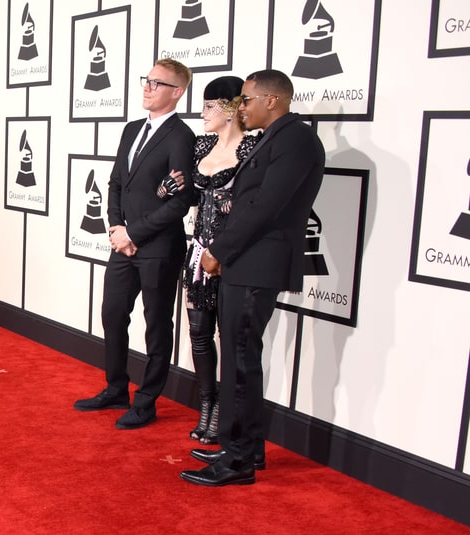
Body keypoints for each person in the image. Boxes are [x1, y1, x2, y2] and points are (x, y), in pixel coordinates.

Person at [180, 69, 326, 486]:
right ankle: (248, 449)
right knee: (241, 360)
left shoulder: (296, 139)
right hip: (246, 262)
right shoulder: (276, 139)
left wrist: (218, 251)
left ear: (272, 101)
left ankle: (236, 460)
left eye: (245, 100)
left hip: (254, 263)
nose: (239, 108)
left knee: (241, 363)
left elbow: (265, 206)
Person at [73, 58, 196, 429]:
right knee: (113, 314)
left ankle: (146, 401)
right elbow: (115, 183)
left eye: (157, 83)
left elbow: (180, 201)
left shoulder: (181, 137)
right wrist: (115, 226)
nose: (147, 87)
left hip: (159, 247)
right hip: (122, 243)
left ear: (177, 92)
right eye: (147, 80)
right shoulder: (131, 130)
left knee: (157, 324)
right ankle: (115, 388)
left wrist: (134, 233)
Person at [160, 75, 260, 445]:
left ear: (231, 108)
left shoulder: (254, 147)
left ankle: (225, 413)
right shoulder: (201, 146)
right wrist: (166, 188)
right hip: (198, 254)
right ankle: (207, 405)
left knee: (233, 338)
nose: (202, 114)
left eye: (208, 107)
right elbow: (180, 188)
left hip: (235, 257)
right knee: (199, 334)